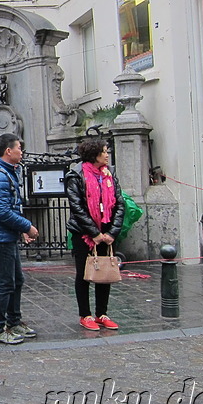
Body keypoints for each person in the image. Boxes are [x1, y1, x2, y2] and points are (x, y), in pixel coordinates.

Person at [0, 133, 38, 345]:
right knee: (5, 283)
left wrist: (20, 229)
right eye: (19, 148)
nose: (21, 152)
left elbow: (10, 208)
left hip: (6, 235)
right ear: (8, 151)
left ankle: (13, 322)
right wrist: (27, 226)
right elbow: (2, 212)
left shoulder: (7, 172)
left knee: (16, 280)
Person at [65, 139, 125, 332]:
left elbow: (120, 203)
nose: (107, 155)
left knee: (104, 272)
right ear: (94, 154)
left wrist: (111, 232)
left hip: (106, 231)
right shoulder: (76, 175)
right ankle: (85, 314)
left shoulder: (109, 174)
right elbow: (77, 207)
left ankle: (102, 313)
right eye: (104, 152)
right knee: (83, 274)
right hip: (84, 233)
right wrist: (95, 233)